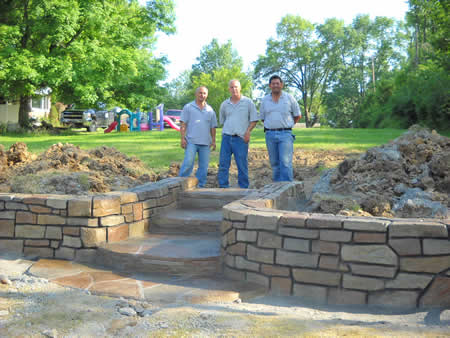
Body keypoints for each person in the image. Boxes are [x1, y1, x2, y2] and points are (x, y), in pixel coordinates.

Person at [217, 80, 259, 189]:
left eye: (236, 87)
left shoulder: (248, 102)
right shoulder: (224, 104)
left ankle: (243, 188)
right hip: (226, 138)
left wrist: (248, 131)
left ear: (240, 88)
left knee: (242, 165)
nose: (234, 89)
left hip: (241, 138)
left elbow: (254, 120)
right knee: (223, 164)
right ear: (229, 89)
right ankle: (223, 187)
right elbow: (223, 120)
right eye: (231, 87)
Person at [260, 75, 301, 182]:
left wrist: (288, 125)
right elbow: (263, 118)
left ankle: (287, 189)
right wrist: (272, 126)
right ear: (270, 86)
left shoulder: (289, 98)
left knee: (285, 163)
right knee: (274, 163)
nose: (275, 85)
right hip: (270, 135)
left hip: (285, 134)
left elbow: (297, 115)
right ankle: (277, 189)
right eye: (273, 84)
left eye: (277, 83)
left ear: (281, 85)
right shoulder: (264, 100)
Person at [179, 86, 217, 188]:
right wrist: (182, 138)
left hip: (205, 143)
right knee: (188, 162)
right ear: (196, 94)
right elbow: (183, 124)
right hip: (191, 141)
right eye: (200, 93)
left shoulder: (210, 110)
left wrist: (213, 140)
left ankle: (200, 186)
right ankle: (180, 184)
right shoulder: (188, 107)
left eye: (204, 93)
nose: (202, 95)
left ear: (207, 95)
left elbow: (213, 127)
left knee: (203, 167)